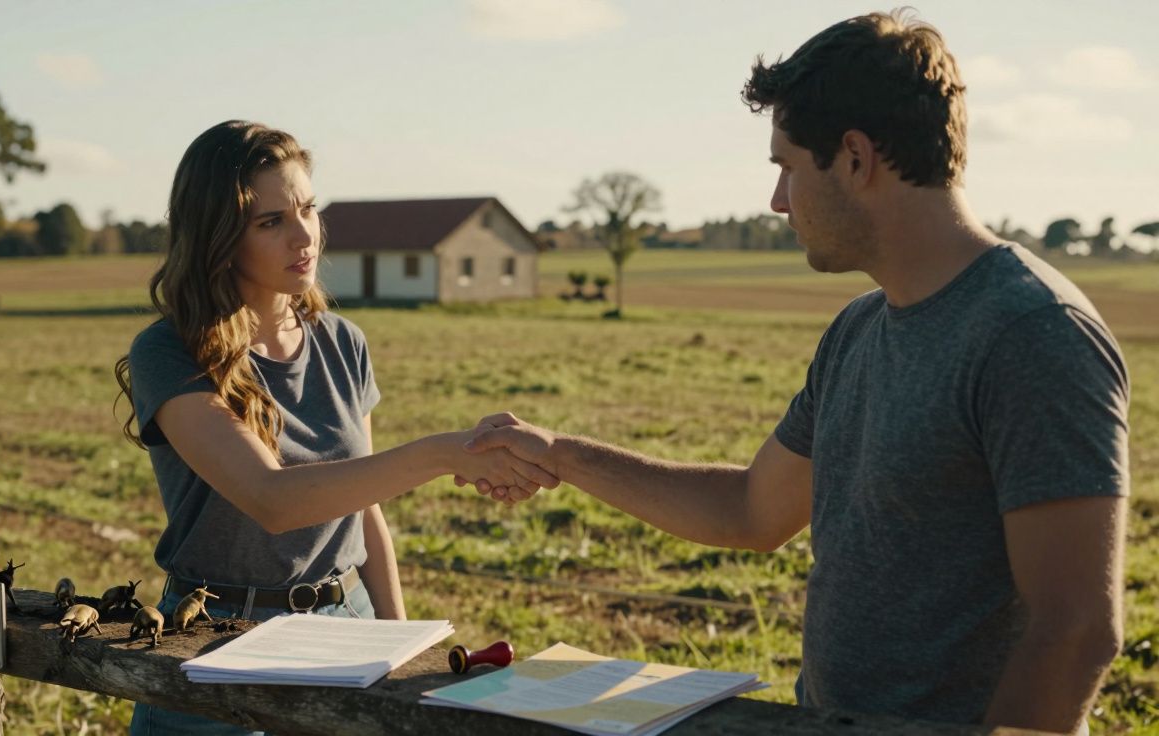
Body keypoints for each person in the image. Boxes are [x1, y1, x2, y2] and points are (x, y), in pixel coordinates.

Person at [463, 11, 1128, 733]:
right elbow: (752, 510)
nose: (778, 200)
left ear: (854, 158)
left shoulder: (1032, 334)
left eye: (786, 166)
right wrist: (558, 454)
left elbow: (1076, 630)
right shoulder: (858, 328)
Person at [114, 120, 557, 735]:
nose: (304, 236)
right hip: (214, 639)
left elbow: (364, 510)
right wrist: (441, 453)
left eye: (308, 209)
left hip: (345, 622)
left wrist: (400, 647)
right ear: (218, 238)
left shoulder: (342, 342)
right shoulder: (171, 352)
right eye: (270, 222)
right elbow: (272, 499)